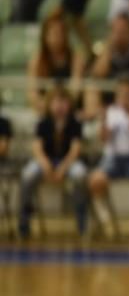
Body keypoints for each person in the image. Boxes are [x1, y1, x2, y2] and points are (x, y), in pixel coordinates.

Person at [87, 75, 129, 239]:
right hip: (113, 158)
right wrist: (103, 122)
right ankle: (103, 216)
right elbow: (103, 139)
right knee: (95, 180)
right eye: (121, 94)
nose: (125, 98)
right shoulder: (111, 112)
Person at [18, 85, 89, 238]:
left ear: (69, 104)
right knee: (27, 175)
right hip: (46, 161)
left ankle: (83, 224)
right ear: (50, 104)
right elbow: (37, 148)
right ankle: (24, 224)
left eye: (63, 102)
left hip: (67, 162)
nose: (60, 106)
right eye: (56, 102)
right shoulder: (43, 123)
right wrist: (47, 166)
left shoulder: (75, 124)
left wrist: (62, 169)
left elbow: (75, 150)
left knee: (80, 175)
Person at [27, 14, 87, 114]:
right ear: (45, 36)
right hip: (45, 108)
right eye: (53, 33)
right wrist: (46, 106)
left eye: (60, 33)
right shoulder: (37, 59)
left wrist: (62, 105)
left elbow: (75, 90)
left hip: (68, 108)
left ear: (65, 36)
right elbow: (32, 92)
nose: (57, 37)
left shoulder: (76, 58)